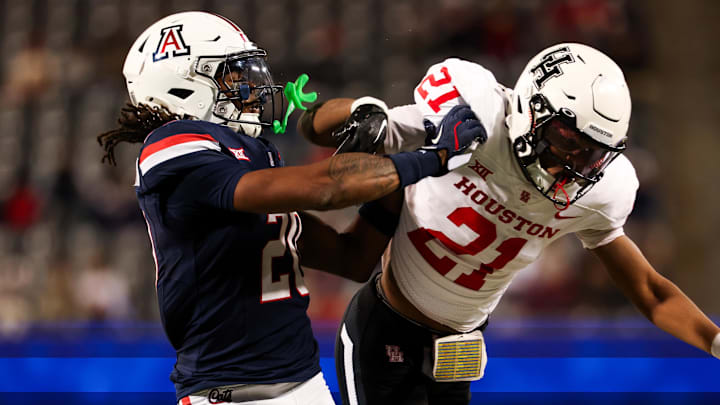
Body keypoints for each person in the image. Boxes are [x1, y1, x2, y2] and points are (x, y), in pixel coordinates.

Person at [96, 11, 485, 405]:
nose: (250, 87)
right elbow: (327, 188)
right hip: (232, 395)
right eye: (232, 75)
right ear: (182, 85)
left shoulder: (251, 158)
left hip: (304, 383)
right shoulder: (172, 146)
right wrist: (431, 158)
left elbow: (351, 257)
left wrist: (391, 160)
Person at [299, 43, 720, 405]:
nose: (573, 165)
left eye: (592, 154)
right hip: (388, 329)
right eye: (568, 140)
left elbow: (649, 291)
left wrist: (715, 342)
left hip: (461, 348)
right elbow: (315, 126)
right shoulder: (475, 117)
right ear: (531, 108)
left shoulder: (601, 191)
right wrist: (362, 112)